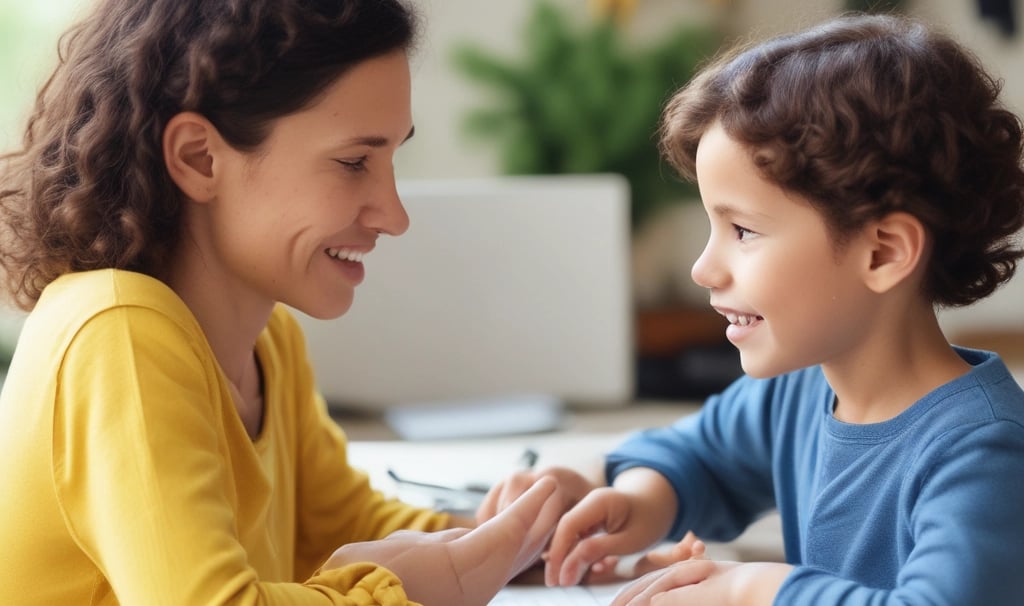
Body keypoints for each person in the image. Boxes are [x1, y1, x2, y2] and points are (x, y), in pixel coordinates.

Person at [0, 1, 569, 604]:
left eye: (390, 160)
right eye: (354, 163)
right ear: (200, 158)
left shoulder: (267, 340)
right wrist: (405, 591)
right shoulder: (118, 335)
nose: (395, 216)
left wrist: (520, 540)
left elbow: (339, 527)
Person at [480, 12, 1024, 605]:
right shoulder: (800, 388)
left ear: (883, 252)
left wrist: (752, 589)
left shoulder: (983, 451)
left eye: (742, 230)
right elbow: (699, 455)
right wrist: (638, 498)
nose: (702, 269)